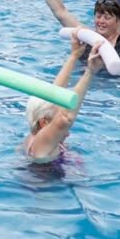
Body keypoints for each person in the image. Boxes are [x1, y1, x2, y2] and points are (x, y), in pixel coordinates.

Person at [23, 35, 98, 163]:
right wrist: (90, 71)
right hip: (46, 183)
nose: (63, 109)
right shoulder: (41, 142)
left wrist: (74, 55)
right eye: (60, 109)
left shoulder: (37, 134)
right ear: (44, 123)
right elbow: (65, 118)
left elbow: (56, 92)